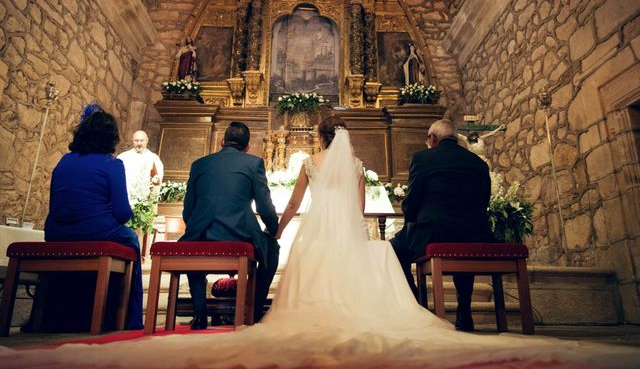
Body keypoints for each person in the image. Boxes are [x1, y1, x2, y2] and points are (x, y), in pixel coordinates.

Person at [3, 119, 639, 367]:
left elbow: (292, 206)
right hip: (359, 232)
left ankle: (215, 309)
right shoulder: (360, 167)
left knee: (289, 258)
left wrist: (276, 233)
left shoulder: (288, 164)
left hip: (281, 235)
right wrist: (351, 231)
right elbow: (365, 210)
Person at [43, 107, 143, 330]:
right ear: (111, 138)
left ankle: (49, 316)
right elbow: (122, 213)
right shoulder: (112, 164)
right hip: (96, 231)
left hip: (57, 232)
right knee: (132, 239)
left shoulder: (64, 161)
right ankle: (127, 318)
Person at [390, 119, 495, 332]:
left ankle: (418, 305)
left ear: (432, 139)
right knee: (461, 239)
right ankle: (464, 311)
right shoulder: (479, 163)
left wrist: (413, 220)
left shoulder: (422, 158)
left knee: (393, 248)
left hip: (434, 233)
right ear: (455, 138)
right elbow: (484, 202)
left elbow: (411, 205)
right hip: (474, 234)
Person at [180, 122, 279, 328]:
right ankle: (254, 311)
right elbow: (264, 206)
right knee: (272, 251)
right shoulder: (253, 164)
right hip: (241, 234)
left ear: (222, 142)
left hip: (203, 233)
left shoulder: (199, 164)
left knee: (193, 243)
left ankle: (200, 314)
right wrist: (274, 228)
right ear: (247, 147)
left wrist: (197, 227)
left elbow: (188, 209)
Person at [118, 130, 164, 205]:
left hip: (145, 201)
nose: (139, 143)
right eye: (136, 140)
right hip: (126, 199)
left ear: (147, 140)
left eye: (142, 140)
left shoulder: (154, 158)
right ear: (132, 140)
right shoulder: (123, 157)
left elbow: (157, 181)